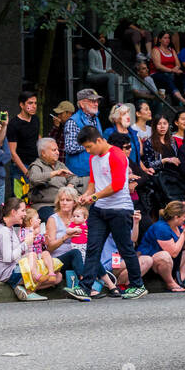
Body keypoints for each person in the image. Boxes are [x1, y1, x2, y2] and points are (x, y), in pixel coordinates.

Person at [71, 125, 147, 301]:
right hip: (100, 209)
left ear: (99, 140)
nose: (88, 151)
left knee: (125, 248)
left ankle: (138, 285)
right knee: (92, 247)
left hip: (120, 208)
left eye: (89, 147)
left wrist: (95, 196)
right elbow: (93, 182)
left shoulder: (116, 155)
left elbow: (118, 185)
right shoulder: (93, 158)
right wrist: (86, 195)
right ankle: (85, 287)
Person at [136, 200, 185, 292]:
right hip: (151, 262)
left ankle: (178, 281)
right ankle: (170, 283)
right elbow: (173, 253)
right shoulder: (161, 227)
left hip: (169, 262)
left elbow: (183, 246)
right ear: (176, 217)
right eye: (184, 216)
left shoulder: (177, 226)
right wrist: (183, 235)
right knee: (165, 255)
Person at [0, 198, 45, 301]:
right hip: (8, 273)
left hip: (14, 268)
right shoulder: (3, 231)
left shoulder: (9, 228)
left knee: (57, 275)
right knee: (46, 272)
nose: (25, 214)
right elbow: (8, 258)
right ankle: (29, 291)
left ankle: (21, 287)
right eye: (23, 210)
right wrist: (25, 244)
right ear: (13, 212)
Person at [45, 188, 86, 291]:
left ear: (74, 202)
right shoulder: (53, 219)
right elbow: (49, 248)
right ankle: (85, 284)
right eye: (62, 200)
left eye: (68, 200)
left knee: (91, 254)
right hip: (59, 260)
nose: (64, 203)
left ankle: (111, 286)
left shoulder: (79, 217)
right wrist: (66, 237)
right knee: (75, 253)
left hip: (78, 258)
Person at [61, 89, 103, 188]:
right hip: (80, 175)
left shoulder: (96, 119)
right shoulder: (73, 121)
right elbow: (70, 148)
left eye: (97, 101)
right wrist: (91, 145)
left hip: (97, 172)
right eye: (92, 101)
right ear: (82, 104)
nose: (96, 104)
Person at [27, 137, 75, 222]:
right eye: (54, 150)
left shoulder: (60, 165)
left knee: (80, 215)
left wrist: (70, 186)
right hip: (44, 205)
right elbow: (34, 178)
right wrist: (55, 173)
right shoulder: (36, 166)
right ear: (43, 153)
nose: (58, 152)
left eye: (57, 150)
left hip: (63, 204)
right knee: (55, 219)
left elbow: (73, 177)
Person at [19, 207, 63, 294]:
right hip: (28, 256)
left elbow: (44, 244)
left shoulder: (39, 233)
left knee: (46, 252)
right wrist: (33, 232)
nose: (40, 220)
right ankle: (35, 275)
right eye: (37, 218)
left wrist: (46, 239)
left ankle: (51, 273)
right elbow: (24, 242)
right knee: (33, 254)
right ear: (31, 221)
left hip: (38, 255)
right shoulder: (24, 231)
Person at [6, 92, 41, 195]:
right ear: (21, 105)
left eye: (35, 103)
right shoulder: (14, 124)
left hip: (35, 165)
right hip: (20, 167)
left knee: (35, 200)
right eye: (30, 103)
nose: (34, 106)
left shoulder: (35, 119)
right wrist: (26, 172)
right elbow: (12, 153)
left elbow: (37, 138)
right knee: (20, 201)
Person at [103, 102, 142, 175]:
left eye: (128, 113)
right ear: (116, 118)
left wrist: (145, 169)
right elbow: (105, 156)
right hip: (118, 173)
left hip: (135, 172)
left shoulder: (132, 133)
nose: (128, 116)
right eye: (124, 114)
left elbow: (137, 156)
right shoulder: (109, 133)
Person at [150, 32, 185, 103]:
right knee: (167, 77)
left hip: (171, 72)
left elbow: (178, 64)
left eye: (169, 38)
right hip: (157, 73)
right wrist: (172, 70)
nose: (168, 40)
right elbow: (158, 66)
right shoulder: (156, 50)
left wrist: (175, 70)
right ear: (160, 40)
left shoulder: (171, 50)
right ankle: (181, 99)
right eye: (165, 38)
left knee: (184, 75)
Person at [87, 31, 123, 103]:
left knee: (118, 76)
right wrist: (106, 71)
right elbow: (92, 68)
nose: (102, 39)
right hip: (93, 75)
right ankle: (112, 99)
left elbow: (109, 66)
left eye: (103, 37)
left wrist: (112, 71)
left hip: (105, 74)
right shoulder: (92, 51)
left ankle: (120, 99)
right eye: (100, 37)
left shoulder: (108, 50)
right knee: (111, 76)